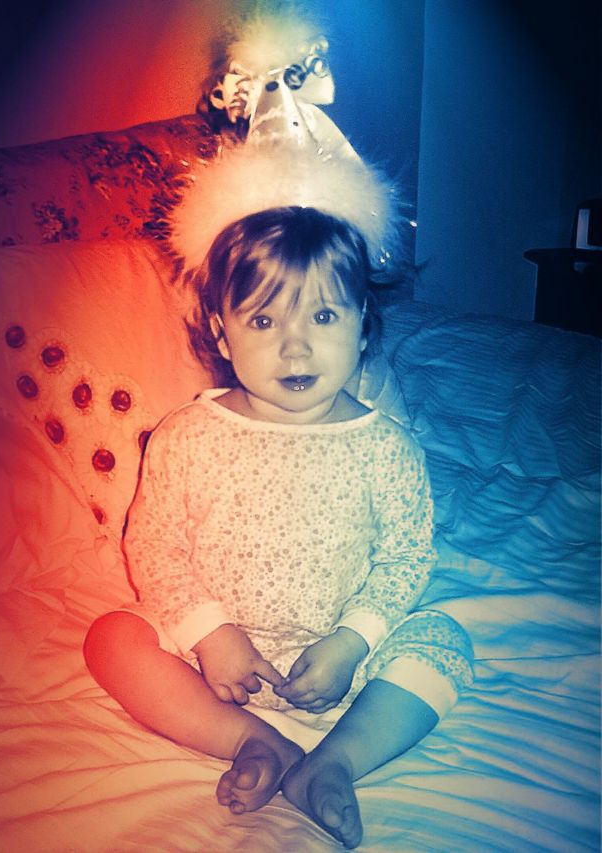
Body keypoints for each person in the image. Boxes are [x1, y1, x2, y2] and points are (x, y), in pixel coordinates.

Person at [84, 206, 473, 850]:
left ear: (363, 325)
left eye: (323, 317)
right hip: (208, 658)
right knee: (112, 639)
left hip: (342, 654)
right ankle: (254, 740)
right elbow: (154, 544)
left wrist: (353, 641)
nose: (296, 347)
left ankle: (335, 762)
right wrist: (208, 633)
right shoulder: (188, 435)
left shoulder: (387, 448)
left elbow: (406, 558)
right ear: (222, 332)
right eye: (263, 321)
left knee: (444, 642)